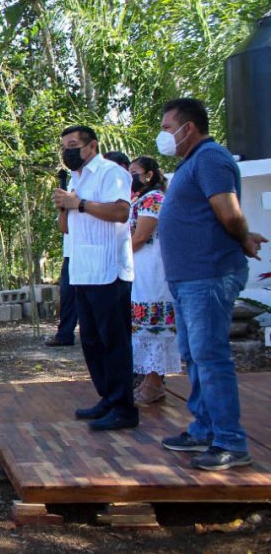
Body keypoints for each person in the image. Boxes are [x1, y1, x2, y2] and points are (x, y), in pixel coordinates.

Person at [156, 98, 267, 471]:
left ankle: (231, 443)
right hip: (190, 278)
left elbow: (228, 211)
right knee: (194, 356)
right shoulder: (194, 163)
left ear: (189, 127)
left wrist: (243, 238)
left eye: (168, 127)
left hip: (209, 275)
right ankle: (204, 429)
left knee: (211, 358)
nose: (164, 135)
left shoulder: (210, 158)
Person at [53, 125, 137, 431]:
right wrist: (65, 206)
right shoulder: (75, 180)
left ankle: (124, 408)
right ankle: (107, 398)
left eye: (73, 144)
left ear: (92, 146)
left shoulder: (110, 173)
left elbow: (120, 212)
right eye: (64, 146)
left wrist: (81, 204)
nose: (67, 151)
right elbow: (66, 229)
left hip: (108, 271)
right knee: (91, 341)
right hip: (82, 271)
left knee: (114, 341)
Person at [127, 156, 181, 405]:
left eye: (134, 172)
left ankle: (156, 381)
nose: (130, 176)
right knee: (142, 324)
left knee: (154, 322)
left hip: (153, 271)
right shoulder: (138, 200)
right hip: (140, 270)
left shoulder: (153, 199)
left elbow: (141, 236)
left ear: (148, 175)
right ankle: (149, 379)